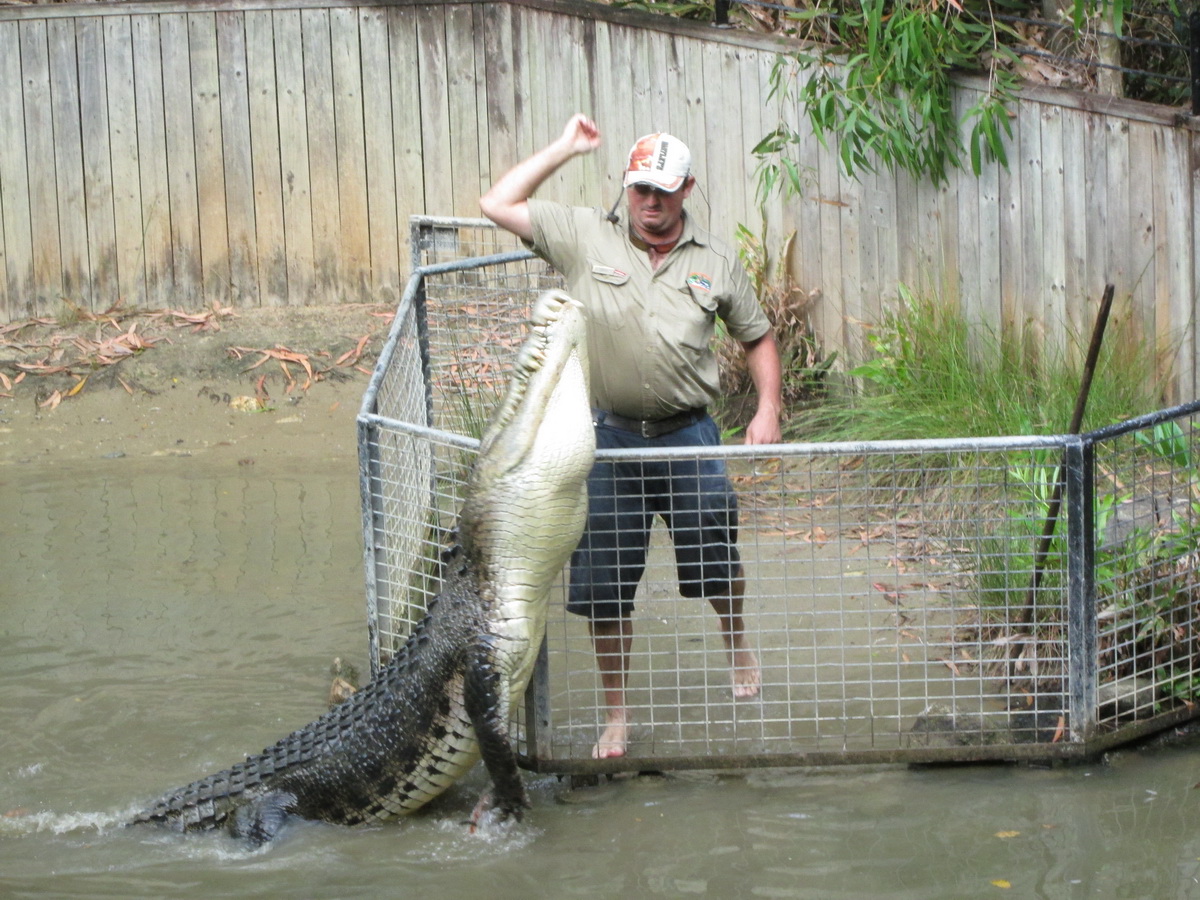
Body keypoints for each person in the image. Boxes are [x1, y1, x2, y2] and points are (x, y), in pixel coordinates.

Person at [479, 114, 783, 759]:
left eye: (663, 191)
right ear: (627, 185)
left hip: (690, 435)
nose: (649, 202)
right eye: (639, 188)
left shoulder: (715, 263)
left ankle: (737, 642)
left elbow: (757, 336)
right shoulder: (586, 235)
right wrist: (564, 146)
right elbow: (496, 203)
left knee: (716, 557)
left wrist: (768, 408)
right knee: (604, 582)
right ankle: (617, 713)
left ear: (687, 190)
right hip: (608, 438)